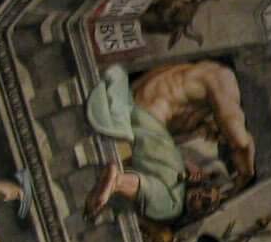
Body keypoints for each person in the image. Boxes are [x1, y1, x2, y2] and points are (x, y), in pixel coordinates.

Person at [85, 59, 257, 225]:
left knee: (166, 180)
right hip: (147, 118)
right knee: (172, 204)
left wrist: (186, 166)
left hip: (138, 109)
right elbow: (241, 142)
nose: (218, 137)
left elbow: (168, 145)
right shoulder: (223, 82)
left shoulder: (195, 73)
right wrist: (244, 178)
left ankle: (120, 181)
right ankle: (117, 182)